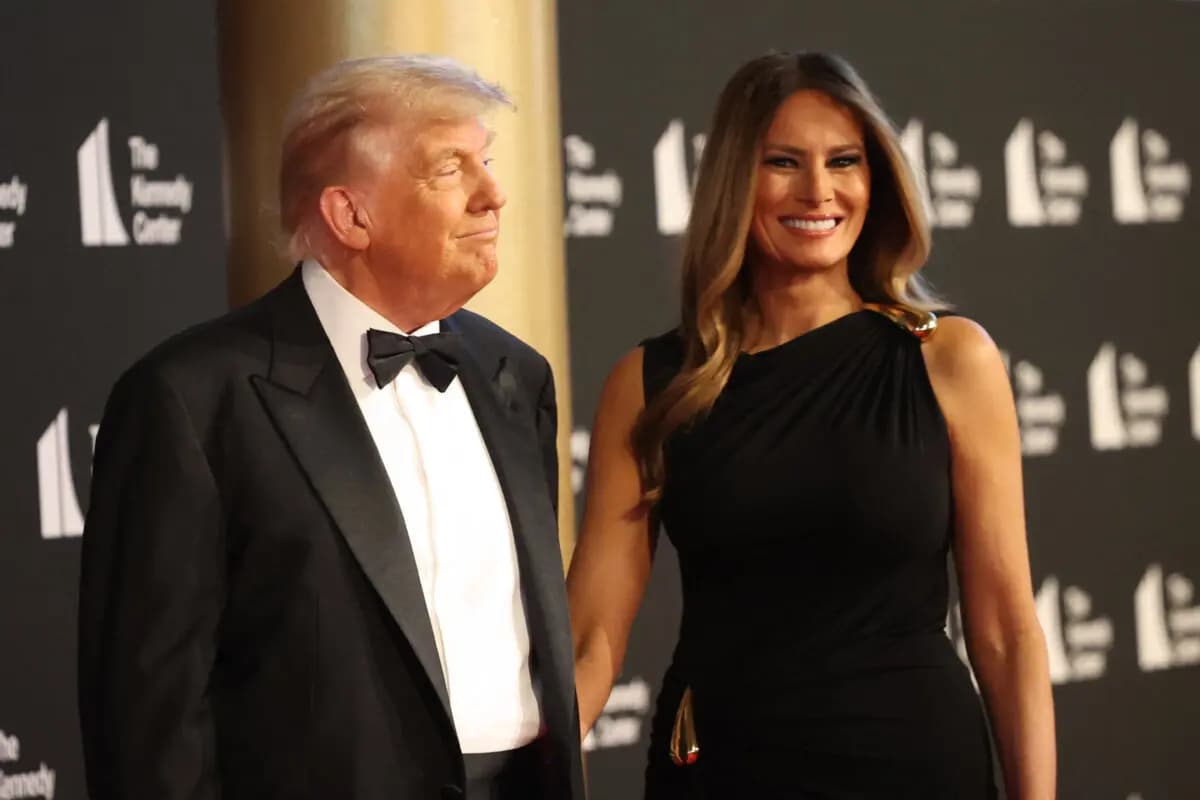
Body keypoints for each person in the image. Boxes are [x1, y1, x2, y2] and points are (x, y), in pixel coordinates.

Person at [78, 54, 584, 800]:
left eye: (486, 161)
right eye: (450, 170)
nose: (494, 194)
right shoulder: (190, 400)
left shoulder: (516, 375)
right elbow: (151, 714)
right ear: (350, 215)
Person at [568, 51, 1056, 798]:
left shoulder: (947, 358)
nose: (820, 191)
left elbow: (1005, 631)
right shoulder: (651, 383)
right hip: (724, 768)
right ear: (735, 179)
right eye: (784, 163)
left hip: (915, 766)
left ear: (876, 178)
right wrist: (498, 768)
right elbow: (591, 637)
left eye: (845, 161)